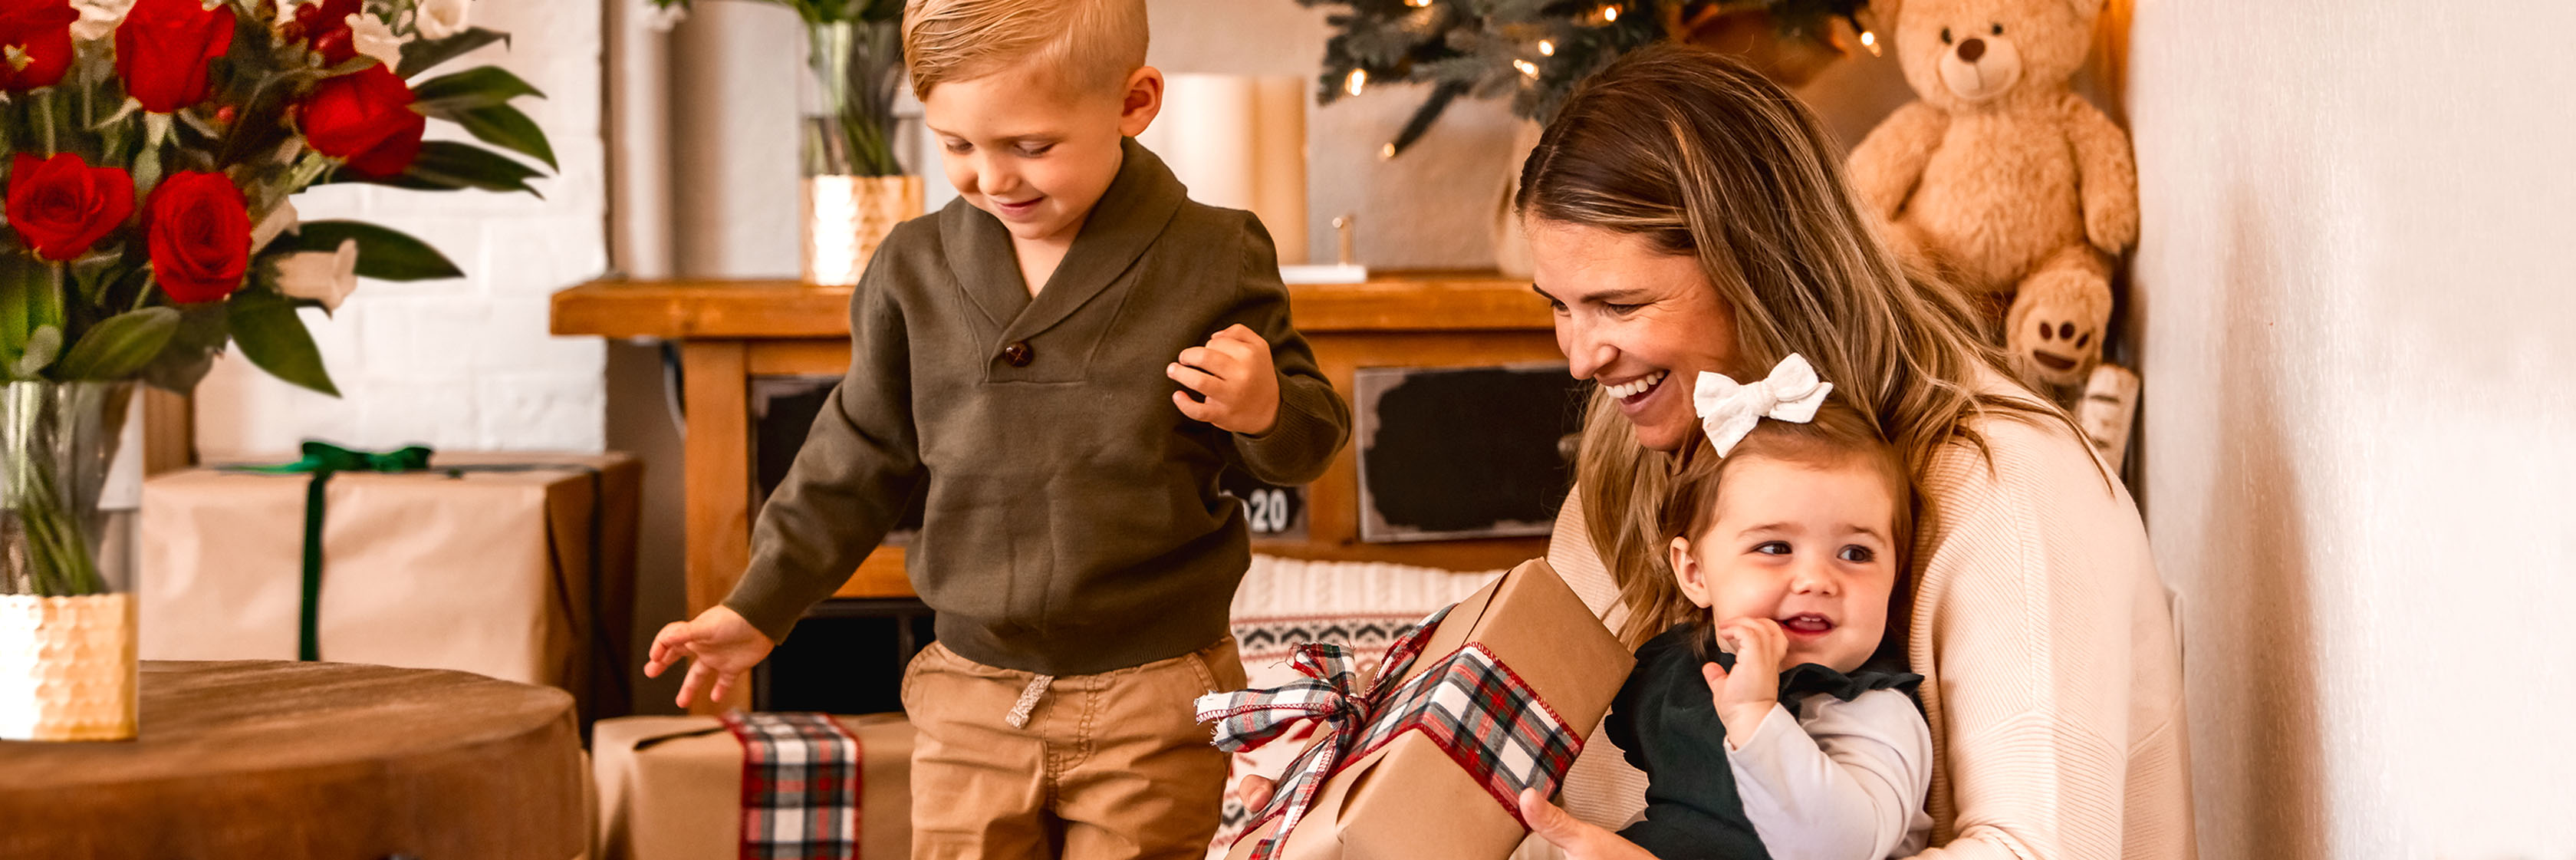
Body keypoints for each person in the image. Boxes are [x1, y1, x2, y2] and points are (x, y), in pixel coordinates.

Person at [1240, 44, 2189, 860]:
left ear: (1759, 263)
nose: (1578, 355)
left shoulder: (2006, 485)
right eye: (1558, 307)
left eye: (1618, 304)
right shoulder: (1655, 460)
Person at [643, 1, 1354, 857]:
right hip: (970, 697)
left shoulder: (1217, 252)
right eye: (956, 146)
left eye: (1031, 146)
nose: (991, 178)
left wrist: (1266, 408)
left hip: (1154, 691)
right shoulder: (910, 268)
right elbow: (854, 458)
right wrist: (760, 603)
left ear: (1134, 104)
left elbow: (1312, 442)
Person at [1604, 355, 1935, 860]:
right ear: (1694, 573)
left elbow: (1838, 848)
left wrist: (1756, 716)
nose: (1816, 580)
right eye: (1775, 547)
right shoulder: (1678, 671)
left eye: (1855, 553)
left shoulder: (1870, 711)